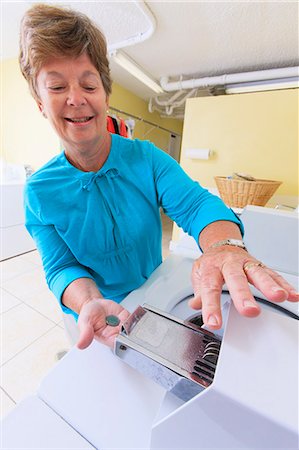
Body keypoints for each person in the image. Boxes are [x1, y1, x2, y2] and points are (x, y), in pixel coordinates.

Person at [19, 4, 298, 350]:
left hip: (154, 294)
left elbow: (197, 205)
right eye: (57, 87)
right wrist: (86, 301)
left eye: (89, 86)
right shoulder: (38, 192)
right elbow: (61, 266)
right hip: (93, 313)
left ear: (106, 95)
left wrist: (225, 246)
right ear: (40, 103)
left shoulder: (147, 158)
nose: (76, 99)